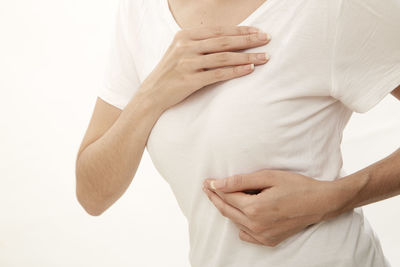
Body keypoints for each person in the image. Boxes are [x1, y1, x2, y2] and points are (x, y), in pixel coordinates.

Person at [75, 0, 400, 266]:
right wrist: (152, 94)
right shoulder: (141, 13)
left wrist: (334, 198)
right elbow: (92, 194)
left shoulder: (330, 8)